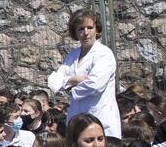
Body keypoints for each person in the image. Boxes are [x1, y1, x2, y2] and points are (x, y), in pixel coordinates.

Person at [48, 9, 121, 138]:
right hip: (76, 116)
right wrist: (74, 80)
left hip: (99, 115)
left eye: (90, 28)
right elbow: (54, 81)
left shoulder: (104, 53)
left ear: (97, 30)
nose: (86, 33)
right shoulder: (72, 55)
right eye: (81, 29)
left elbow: (95, 85)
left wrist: (70, 89)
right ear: (75, 32)